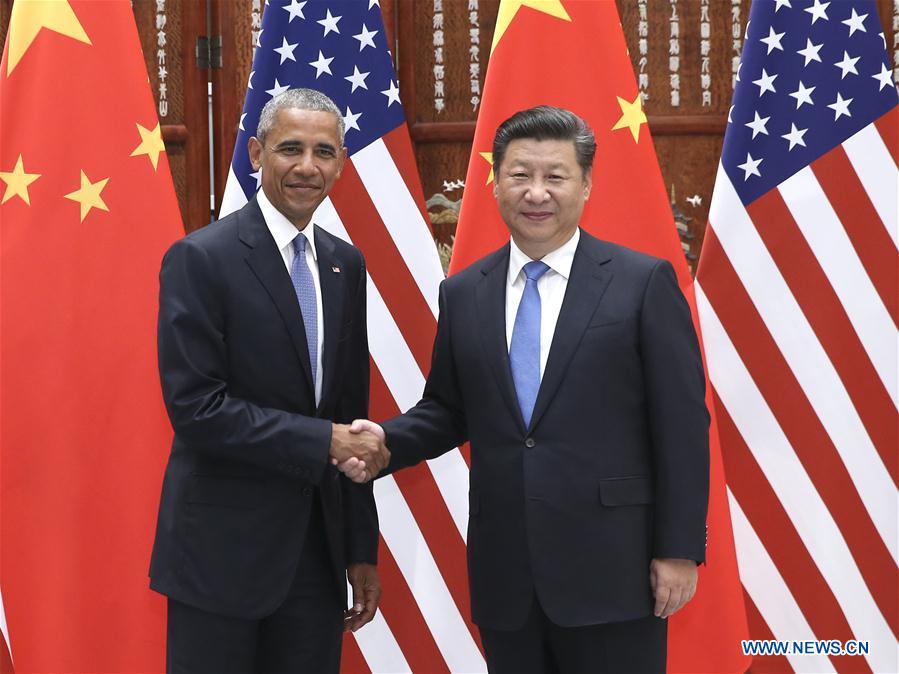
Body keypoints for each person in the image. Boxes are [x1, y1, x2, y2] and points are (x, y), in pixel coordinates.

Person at [342, 106, 710, 673]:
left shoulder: (642, 283)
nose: (536, 192)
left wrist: (679, 549)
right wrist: (386, 440)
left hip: (615, 568)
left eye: (555, 177)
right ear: (495, 185)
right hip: (507, 574)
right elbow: (448, 408)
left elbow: (683, 426)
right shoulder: (466, 292)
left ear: (585, 185)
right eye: (520, 175)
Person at [150, 88, 390, 673]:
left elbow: (349, 409)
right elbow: (197, 409)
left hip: (316, 556)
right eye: (290, 148)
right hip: (220, 558)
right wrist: (323, 441)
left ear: (342, 163)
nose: (308, 167)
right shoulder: (201, 258)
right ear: (257, 154)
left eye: (325, 152)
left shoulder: (344, 263)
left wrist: (360, 547)